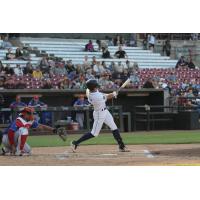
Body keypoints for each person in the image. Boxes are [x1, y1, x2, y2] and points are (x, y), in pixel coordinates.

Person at [70, 79, 129, 152]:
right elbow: (106, 97)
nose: (97, 87)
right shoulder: (96, 96)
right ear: (94, 87)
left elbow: (103, 95)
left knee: (114, 127)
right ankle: (75, 143)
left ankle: (121, 146)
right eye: (96, 86)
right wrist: (113, 94)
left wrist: (113, 94)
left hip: (105, 111)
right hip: (99, 114)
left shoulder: (90, 91)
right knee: (94, 133)